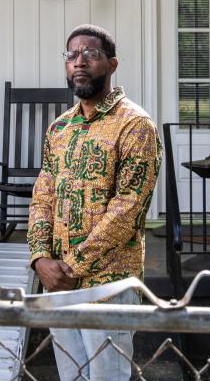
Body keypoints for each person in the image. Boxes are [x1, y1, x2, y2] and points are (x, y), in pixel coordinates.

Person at [27, 23, 162, 381]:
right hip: (57, 284)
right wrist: (40, 258)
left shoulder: (136, 125)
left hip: (108, 284)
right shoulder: (59, 128)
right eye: (72, 55)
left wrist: (71, 267)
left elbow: (128, 208)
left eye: (91, 54)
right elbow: (43, 194)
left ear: (112, 64)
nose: (79, 62)